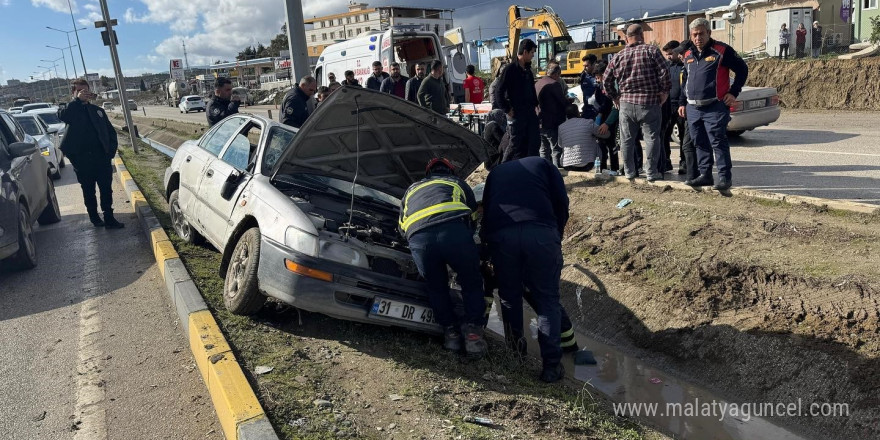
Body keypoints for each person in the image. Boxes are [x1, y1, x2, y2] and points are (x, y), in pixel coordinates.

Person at [481, 156, 569, 383]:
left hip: (502, 237)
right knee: (547, 301)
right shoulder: (544, 164)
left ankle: (516, 357)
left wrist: (489, 245)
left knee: (510, 298)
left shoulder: (495, 173)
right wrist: (555, 234)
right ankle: (551, 367)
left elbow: (487, 209)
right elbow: (561, 201)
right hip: (541, 234)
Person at [470, 183, 579, 354]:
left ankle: (568, 347)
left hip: (522, 268)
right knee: (484, 293)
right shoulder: (486, 219)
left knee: (542, 304)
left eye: (483, 205)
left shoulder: (506, 219)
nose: (481, 209)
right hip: (500, 268)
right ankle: (481, 331)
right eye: (478, 205)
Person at [399, 158, 487, 358]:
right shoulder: (457, 183)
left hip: (420, 239)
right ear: (451, 171)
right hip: (454, 233)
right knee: (471, 282)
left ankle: (451, 335)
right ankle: (473, 336)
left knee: (436, 287)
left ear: (428, 173)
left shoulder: (412, 189)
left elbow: (401, 226)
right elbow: (472, 218)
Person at [678, 18, 749, 191]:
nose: (698, 38)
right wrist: (682, 102)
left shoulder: (722, 51)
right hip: (693, 107)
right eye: (694, 35)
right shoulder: (688, 54)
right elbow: (685, 80)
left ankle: (724, 177)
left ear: (709, 33)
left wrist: (733, 92)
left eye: (701, 33)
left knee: (718, 141)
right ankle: (705, 175)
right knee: (699, 142)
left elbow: (742, 69)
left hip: (715, 106)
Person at [603, 24, 670, 182]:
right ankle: (651, 172)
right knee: (652, 138)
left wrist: (615, 97)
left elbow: (606, 80)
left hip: (626, 103)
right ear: (642, 35)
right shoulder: (652, 51)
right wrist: (664, 92)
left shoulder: (618, 56)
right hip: (649, 101)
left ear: (626, 38)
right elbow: (664, 72)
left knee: (627, 139)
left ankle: (629, 171)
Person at [57, 78, 124, 229]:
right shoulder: (69, 109)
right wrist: (77, 101)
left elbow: (110, 133)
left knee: (106, 188)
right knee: (89, 190)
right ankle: (94, 217)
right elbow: (64, 116)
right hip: (82, 160)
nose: (84, 93)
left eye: (85, 90)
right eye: (80, 91)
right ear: (73, 92)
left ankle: (109, 217)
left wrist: (110, 152)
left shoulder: (98, 111)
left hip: (101, 158)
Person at [493, 38, 540, 160]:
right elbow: (498, 91)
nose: (532, 56)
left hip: (529, 113)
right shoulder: (510, 70)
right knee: (515, 145)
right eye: (531, 53)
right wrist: (507, 109)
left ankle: (531, 169)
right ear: (525, 52)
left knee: (533, 142)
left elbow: (531, 88)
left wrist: (536, 104)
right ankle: (504, 170)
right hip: (516, 113)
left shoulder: (528, 70)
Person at [536, 63, 569, 167]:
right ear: (557, 74)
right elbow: (562, 101)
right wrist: (569, 101)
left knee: (543, 150)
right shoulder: (554, 84)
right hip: (552, 122)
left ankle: (544, 172)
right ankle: (556, 172)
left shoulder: (537, 83)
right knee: (556, 149)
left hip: (539, 122)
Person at [662, 40, 686, 175]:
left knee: (683, 136)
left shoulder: (685, 65)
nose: (669, 57)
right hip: (667, 106)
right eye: (667, 55)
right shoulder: (666, 66)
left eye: (671, 53)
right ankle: (666, 162)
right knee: (665, 135)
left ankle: (684, 163)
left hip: (681, 106)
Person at [559, 104, 606, 171]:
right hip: (588, 164)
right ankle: (602, 169)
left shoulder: (561, 127)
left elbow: (560, 144)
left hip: (568, 165)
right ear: (578, 112)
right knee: (599, 144)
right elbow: (604, 134)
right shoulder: (588, 122)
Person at [592, 62, 620, 173]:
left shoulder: (613, 85)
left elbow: (611, 104)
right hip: (603, 119)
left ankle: (614, 168)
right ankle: (602, 167)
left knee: (612, 145)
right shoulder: (600, 86)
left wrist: (607, 122)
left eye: (599, 77)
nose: (597, 80)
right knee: (601, 145)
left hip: (611, 120)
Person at [579, 54, 598, 120]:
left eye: (587, 66)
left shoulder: (599, 76)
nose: (584, 68)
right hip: (587, 110)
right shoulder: (583, 75)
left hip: (598, 111)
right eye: (584, 66)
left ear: (594, 64)